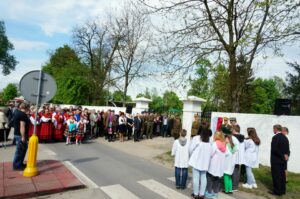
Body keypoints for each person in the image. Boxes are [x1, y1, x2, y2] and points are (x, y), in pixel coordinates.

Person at [189, 124, 212, 199]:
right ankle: (202, 194)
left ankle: (196, 194)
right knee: (203, 177)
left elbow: (190, 149)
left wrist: (191, 155)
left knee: (196, 178)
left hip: (196, 161)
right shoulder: (210, 139)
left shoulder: (196, 138)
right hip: (205, 162)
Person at [206, 131, 227, 199]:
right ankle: (215, 193)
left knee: (209, 178)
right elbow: (226, 154)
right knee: (217, 179)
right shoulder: (224, 144)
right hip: (220, 165)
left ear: (216, 136)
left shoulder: (215, 143)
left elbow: (211, 153)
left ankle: (209, 192)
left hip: (213, 164)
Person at [270, 124, 290, 196]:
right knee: (282, 176)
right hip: (284, 160)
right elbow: (288, 150)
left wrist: (282, 156)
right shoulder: (285, 138)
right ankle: (283, 190)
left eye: (273, 129)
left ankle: (277, 191)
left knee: (276, 176)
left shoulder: (275, 137)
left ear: (275, 129)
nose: (273, 130)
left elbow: (274, 149)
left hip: (276, 160)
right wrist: (287, 156)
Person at [12, 103, 30, 170]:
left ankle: (19, 164)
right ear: (27, 108)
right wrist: (23, 137)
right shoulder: (23, 115)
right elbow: (22, 126)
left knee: (21, 150)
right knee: (20, 151)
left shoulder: (18, 113)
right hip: (20, 135)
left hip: (17, 134)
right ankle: (17, 166)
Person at [232, 125, 245, 191]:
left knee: (232, 171)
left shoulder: (233, 137)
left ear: (234, 130)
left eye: (232, 129)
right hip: (240, 157)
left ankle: (233, 186)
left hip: (234, 156)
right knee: (237, 171)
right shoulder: (243, 137)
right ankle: (235, 186)